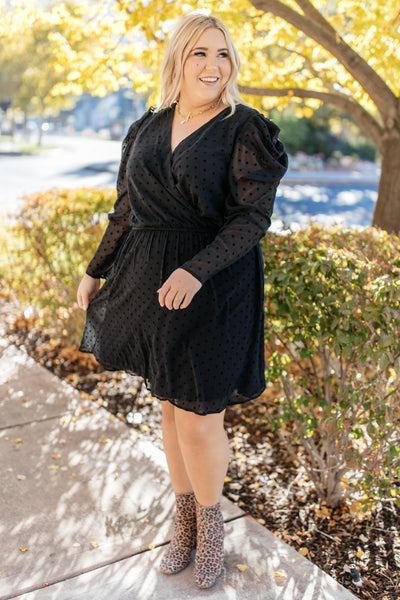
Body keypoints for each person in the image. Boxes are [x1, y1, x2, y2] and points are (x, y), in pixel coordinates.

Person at [77, 12, 287, 590]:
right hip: (150, 281)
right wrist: (95, 269)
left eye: (222, 54)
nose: (213, 66)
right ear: (178, 58)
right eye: (200, 53)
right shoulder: (147, 126)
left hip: (215, 284)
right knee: (170, 407)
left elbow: (252, 218)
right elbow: (126, 208)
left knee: (199, 417)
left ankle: (213, 527)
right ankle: (184, 520)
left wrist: (195, 271)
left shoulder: (245, 128)